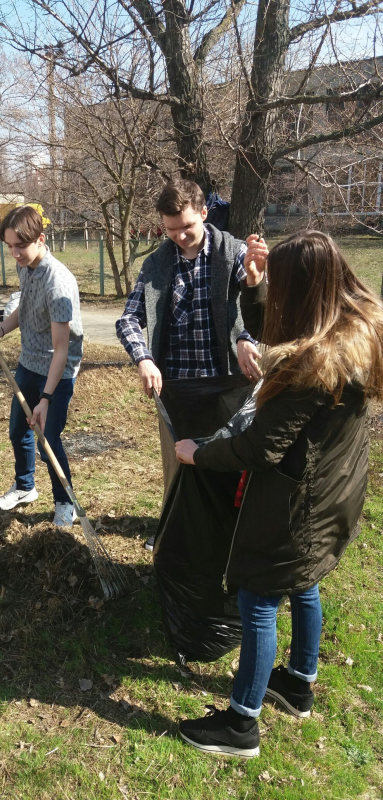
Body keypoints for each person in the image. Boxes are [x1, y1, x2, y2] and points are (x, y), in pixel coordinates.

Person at [174, 230, 383, 757]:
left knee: (260, 596)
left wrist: (196, 454)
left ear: (304, 290)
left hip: (299, 502)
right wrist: (257, 284)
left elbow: (259, 448)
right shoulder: (353, 329)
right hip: (338, 487)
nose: (279, 297)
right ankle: (298, 683)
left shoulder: (313, 365)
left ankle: (241, 724)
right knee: (305, 580)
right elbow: (287, 325)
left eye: (283, 286)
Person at [115, 179, 268, 549]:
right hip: (177, 391)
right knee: (179, 467)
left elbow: (256, 304)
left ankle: (230, 539)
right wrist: (144, 358)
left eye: (187, 226)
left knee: (225, 460)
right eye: (171, 230)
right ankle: (180, 537)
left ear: (203, 213)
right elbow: (128, 320)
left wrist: (247, 333)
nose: (180, 236)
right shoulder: (156, 264)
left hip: (226, 386)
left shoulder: (231, 252)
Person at [0, 206, 83, 527]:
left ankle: (66, 503)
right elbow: (24, 308)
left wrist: (46, 398)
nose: (14, 253)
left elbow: (62, 349)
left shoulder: (59, 284)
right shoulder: (26, 267)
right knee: (17, 430)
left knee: (48, 439)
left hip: (57, 371)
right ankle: (25, 487)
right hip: (29, 362)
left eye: (20, 246)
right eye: (9, 246)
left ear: (40, 239)